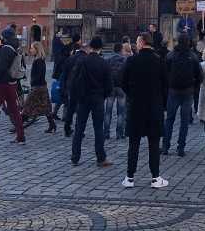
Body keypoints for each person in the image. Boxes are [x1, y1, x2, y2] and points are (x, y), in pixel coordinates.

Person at [121, 32, 169, 188]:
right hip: (154, 106)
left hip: (136, 105)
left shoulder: (131, 61)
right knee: (154, 143)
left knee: (133, 143)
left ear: (141, 44)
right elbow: (166, 84)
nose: (136, 44)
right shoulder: (159, 62)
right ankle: (155, 177)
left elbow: (123, 84)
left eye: (137, 42)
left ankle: (129, 177)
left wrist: (133, 93)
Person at [69, 36, 114, 168]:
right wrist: (104, 95)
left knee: (79, 127)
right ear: (100, 48)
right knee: (98, 128)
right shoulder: (104, 63)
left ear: (90, 47)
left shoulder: (82, 60)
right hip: (98, 97)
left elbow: (73, 79)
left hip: (83, 97)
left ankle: (75, 158)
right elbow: (109, 86)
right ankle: (100, 158)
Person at [161, 35, 202, 156]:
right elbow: (199, 74)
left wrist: (169, 85)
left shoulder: (171, 55)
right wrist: (194, 87)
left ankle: (165, 146)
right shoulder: (193, 56)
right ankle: (181, 147)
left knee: (169, 119)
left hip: (173, 91)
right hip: (188, 91)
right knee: (184, 120)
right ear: (188, 43)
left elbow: (165, 72)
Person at [22, 42, 56, 133]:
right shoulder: (37, 60)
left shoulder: (39, 61)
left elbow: (40, 75)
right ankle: (52, 124)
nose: (30, 49)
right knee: (45, 106)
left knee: (27, 107)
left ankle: (19, 125)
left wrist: (33, 83)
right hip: (40, 86)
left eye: (32, 48)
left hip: (38, 87)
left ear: (37, 49)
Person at [104, 43, 127, 139]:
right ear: (122, 49)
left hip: (110, 86)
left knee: (108, 111)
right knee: (121, 112)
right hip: (121, 86)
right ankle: (119, 133)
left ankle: (106, 133)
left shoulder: (107, 58)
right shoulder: (125, 59)